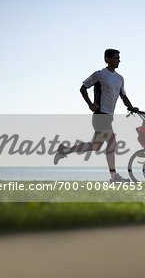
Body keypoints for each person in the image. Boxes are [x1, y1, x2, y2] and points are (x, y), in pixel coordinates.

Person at [54, 48, 136, 182]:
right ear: (107, 59)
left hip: (108, 117)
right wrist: (90, 104)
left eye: (119, 58)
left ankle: (64, 151)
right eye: (116, 57)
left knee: (95, 146)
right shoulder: (100, 75)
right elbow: (83, 88)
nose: (118, 60)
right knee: (111, 143)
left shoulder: (120, 78)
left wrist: (132, 108)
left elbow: (123, 96)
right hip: (99, 115)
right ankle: (114, 176)